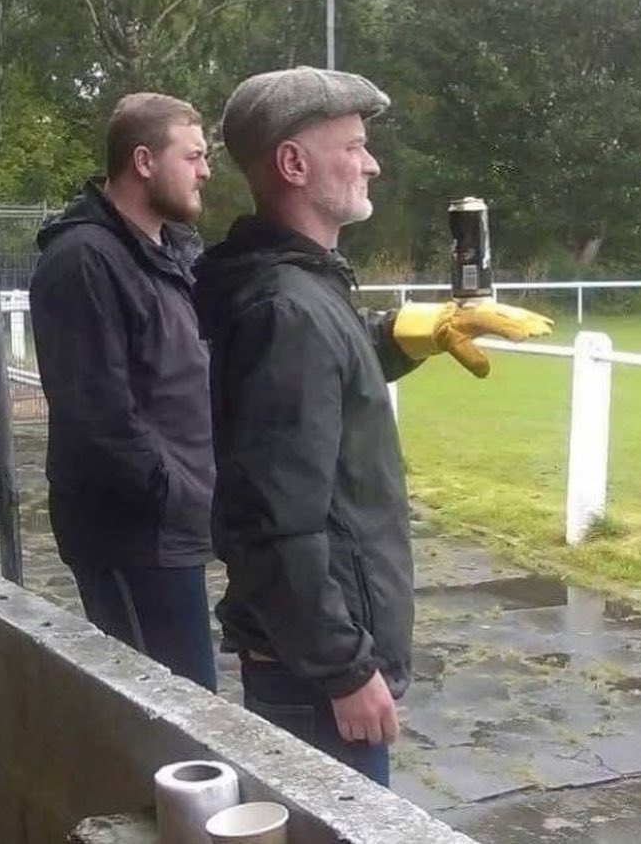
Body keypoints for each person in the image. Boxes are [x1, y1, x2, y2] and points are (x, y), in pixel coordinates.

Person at [194, 66, 553, 783]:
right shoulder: (286, 307)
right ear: (293, 164)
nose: (372, 163)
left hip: (312, 664)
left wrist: (412, 332)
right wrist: (344, 670)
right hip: (314, 679)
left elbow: (325, 372)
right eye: (353, 146)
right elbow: (274, 523)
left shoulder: (298, 285)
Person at [29, 92, 217, 692]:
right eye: (192, 156)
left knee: (196, 718)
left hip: (173, 534)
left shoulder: (172, 253)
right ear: (143, 161)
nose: (206, 171)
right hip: (132, 538)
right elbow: (98, 418)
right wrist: (176, 494)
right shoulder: (83, 260)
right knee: (171, 720)